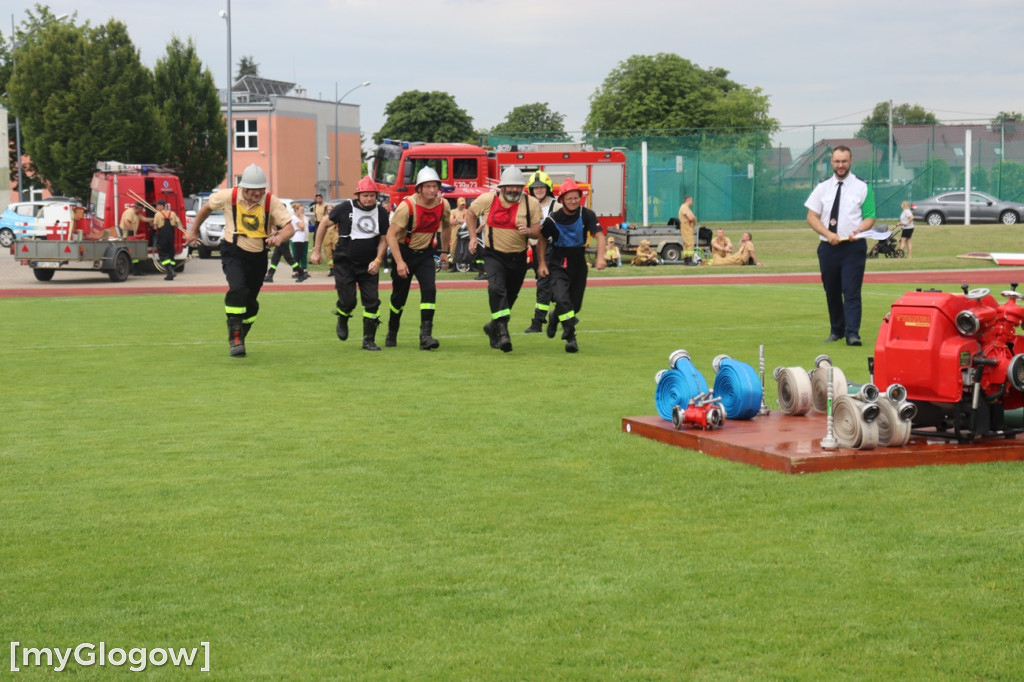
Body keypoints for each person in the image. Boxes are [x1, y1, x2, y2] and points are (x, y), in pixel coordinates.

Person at [185, 163, 294, 357]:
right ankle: (235, 337)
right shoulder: (228, 196)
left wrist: (278, 238)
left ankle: (241, 331)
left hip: (259, 255)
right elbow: (206, 209)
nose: (257, 193)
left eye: (261, 189)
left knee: (251, 301)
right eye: (253, 189)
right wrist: (193, 231)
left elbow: (289, 228)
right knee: (238, 289)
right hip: (233, 250)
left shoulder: (271, 201)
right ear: (244, 187)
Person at [805, 145, 875, 347]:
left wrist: (859, 231)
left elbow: (870, 216)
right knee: (832, 290)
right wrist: (827, 234)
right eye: (837, 161)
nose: (841, 165)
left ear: (851, 161)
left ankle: (853, 333)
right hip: (828, 247)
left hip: (853, 246)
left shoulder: (863, 186)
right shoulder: (823, 187)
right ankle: (837, 330)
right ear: (832, 162)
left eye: (844, 161)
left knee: (851, 290)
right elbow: (811, 216)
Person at [467, 166, 543, 352]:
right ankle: (502, 332)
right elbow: (470, 214)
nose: (513, 190)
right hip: (493, 254)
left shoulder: (531, 203)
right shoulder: (488, 199)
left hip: (518, 257)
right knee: (496, 289)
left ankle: (493, 326)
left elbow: (538, 231)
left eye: (517, 187)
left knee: (510, 296)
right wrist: (472, 237)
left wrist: (529, 231)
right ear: (502, 187)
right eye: (509, 186)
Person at [312, 176, 389, 351]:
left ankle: (368, 340)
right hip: (345, 263)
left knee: (373, 302)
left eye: (372, 195)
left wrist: (377, 260)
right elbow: (324, 224)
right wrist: (317, 250)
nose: (369, 198)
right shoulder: (345, 208)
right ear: (358, 195)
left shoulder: (382, 213)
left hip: (369, 264)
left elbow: (385, 239)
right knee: (348, 301)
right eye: (365, 195)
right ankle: (343, 316)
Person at [384, 166, 452, 350]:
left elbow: (447, 226)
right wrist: (399, 262)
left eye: (435, 186)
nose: (432, 190)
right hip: (404, 253)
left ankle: (426, 335)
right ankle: (392, 329)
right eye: (427, 186)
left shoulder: (443, 205)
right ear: (419, 188)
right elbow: (390, 235)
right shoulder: (407, 207)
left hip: (426, 254)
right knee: (399, 296)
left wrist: (444, 251)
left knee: (430, 290)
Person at [537, 178, 606, 353]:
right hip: (558, 263)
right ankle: (570, 337)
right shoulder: (553, 219)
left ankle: (555, 317)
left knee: (575, 305)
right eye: (569, 198)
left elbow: (599, 235)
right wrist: (542, 263)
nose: (573, 201)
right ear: (562, 200)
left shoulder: (587, 214)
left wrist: (600, 258)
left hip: (579, 263)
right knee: (561, 299)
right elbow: (542, 239)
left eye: (576, 198)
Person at [523, 171, 559, 334]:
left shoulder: (556, 206)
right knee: (550, 288)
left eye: (541, 187)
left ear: (548, 188)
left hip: (551, 250)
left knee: (543, 286)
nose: (538, 190)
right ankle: (564, 311)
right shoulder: (527, 206)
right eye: (535, 188)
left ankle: (537, 322)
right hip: (533, 250)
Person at [152, 199, 182, 280]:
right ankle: (170, 275)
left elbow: (155, 227)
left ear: (162, 206)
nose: (156, 207)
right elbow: (177, 224)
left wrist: (154, 229)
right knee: (170, 254)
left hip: (162, 238)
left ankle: (171, 271)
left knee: (163, 255)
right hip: (171, 238)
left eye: (157, 205)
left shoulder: (158, 214)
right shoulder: (172, 213)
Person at [314, 193, 337, 275]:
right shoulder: (324, 219)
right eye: (328, 209)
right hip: (326, 237)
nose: (329, 210)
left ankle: (337, 268)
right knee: (328, 253)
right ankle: (331, 269)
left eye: (331, 209)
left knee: (336, 253)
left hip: (335, 236)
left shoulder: (336, 217)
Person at [290, 203, 311, 281]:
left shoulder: (304, 217)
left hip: (303, 238)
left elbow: (306, 227)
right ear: (296, 210)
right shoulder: (294, 218)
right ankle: (295, 271)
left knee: (302, 255)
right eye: (301, 209)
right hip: (296, 238)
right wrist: (301, 218)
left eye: (303, 209)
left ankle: (302, 270)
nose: (303, 211)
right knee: (296, 256)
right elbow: (302, 227)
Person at [447, 197, 468, 269]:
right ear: (457, 204)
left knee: (463, 246)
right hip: (454, 231)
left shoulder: (467, 211)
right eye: (461, 204)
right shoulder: (453, 211)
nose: (462, 206)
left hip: (464, 230)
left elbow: (467, 221)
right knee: (453, 246)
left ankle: (463, 264)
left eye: (463, 204)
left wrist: (457, 220)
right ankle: (453, 264)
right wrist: (461, 221)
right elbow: (451, 221)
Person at [677, 195, 698, 265]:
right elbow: (690, 218)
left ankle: (686, 259)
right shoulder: (684, 207)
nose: (692, 202)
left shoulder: (686, 208)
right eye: (692, 200)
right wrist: (694, 218)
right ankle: (689, 259)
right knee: (690, 243)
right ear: (688, 200)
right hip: (686, 227)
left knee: (686, 244)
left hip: (688, 227)